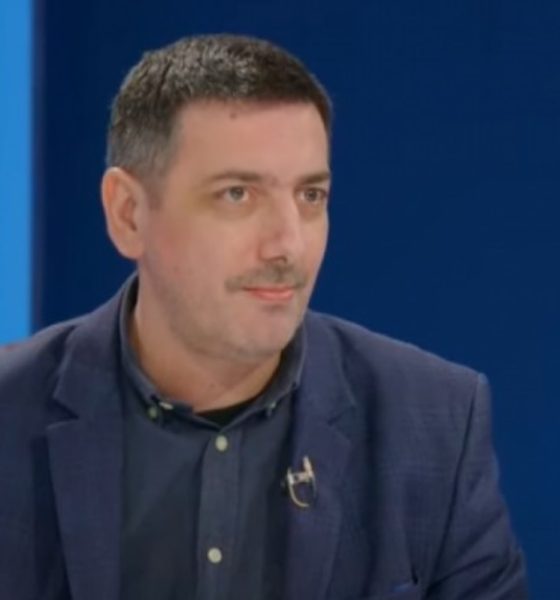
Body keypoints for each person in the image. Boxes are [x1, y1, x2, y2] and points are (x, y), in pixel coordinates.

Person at [0, 34, 527, 600]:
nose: (288, 245)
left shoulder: (436, 427)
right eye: (237, 194)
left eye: (310, 196)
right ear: (128, 214)